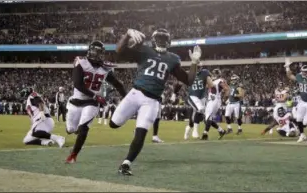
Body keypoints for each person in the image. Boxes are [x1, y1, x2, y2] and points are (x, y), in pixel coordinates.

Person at [110, 28, 200, 175]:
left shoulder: (171, 58)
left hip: (152, 100)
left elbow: (188, 80)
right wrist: (127, 35)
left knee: (141, 133)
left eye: (163, 39)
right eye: (160, 39)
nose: (161, 42)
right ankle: (127, 155)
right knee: (114, 124)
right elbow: (119, 52)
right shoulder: (147, 51)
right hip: (135, 93)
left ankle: (126, 164)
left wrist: (194, 63)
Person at [65, 41, 127, 164]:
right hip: (76, 101)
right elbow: (77, 84)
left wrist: (127, 99)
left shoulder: (105, 68)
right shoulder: (81, 62)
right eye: (96, 52)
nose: (98, 55)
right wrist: (95, 95)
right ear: (90, 51)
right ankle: (75, 130)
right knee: (70, 129)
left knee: (84, 128)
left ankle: (73, 155)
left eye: (100, 53)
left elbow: (118, 84)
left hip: (91, 103)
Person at [285, 59, 307, 143]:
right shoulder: (299, 76)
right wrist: (287, 68)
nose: (303, 73)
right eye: (302, 71)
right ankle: (302, 135)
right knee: (298, 119)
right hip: (302, 101)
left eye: (305, 72)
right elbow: (290, 76)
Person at [201, 69, 229, 140]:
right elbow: (207, 86)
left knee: (208, 117)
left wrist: (224, 99)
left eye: (214, 74)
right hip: (211, 100)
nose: (213, 75)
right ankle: (221, 131)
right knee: (206, 119)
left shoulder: (220, 80)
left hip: (214, 100)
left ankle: (205, 134)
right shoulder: (213, 81)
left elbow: (226, 89)